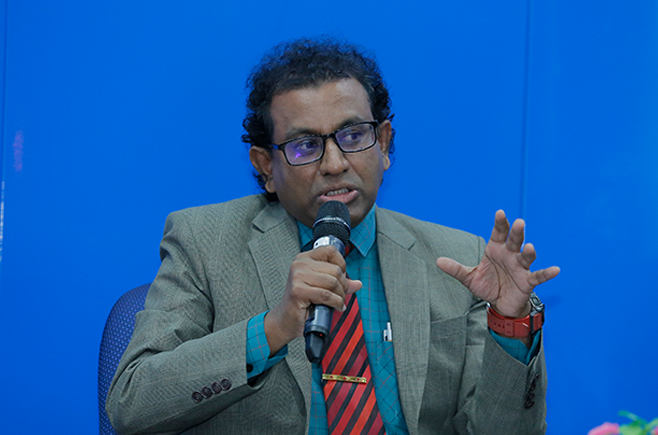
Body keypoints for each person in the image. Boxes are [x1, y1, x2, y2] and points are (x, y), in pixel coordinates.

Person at [107, 37, 559, 435]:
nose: (335, 163)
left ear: (384, 144)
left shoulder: (460, 259)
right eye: (305, 145)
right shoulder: (204, 242)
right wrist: (272, 328)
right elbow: (132, 405)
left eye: (353, 135)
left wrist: (510, 325)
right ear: (266, 167)